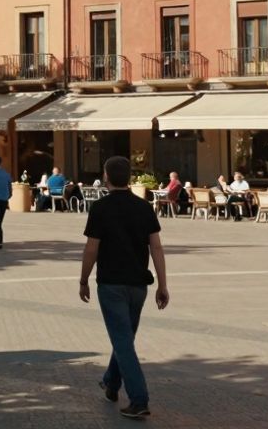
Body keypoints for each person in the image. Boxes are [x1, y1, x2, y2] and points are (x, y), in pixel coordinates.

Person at [78, 156, 170, 421]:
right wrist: (163, 284)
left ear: (106, 177)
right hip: (138, 285)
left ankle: (139, 399)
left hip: (111, 284)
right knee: (124, 338)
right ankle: (110, 382)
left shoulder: (100, 208)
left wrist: (83, 280)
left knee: (122, 342)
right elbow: (156, 247)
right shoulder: (144, 207)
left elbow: (91, 248)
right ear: (129, 177)